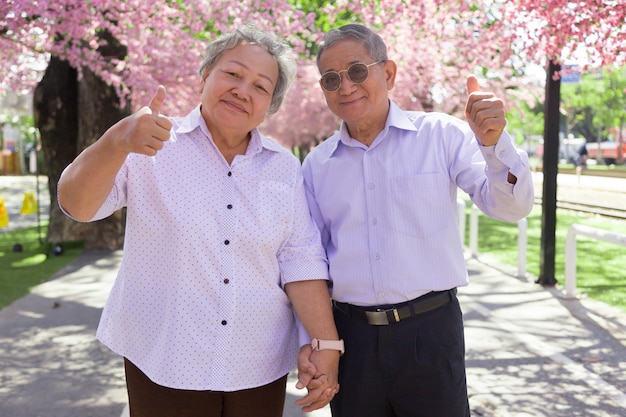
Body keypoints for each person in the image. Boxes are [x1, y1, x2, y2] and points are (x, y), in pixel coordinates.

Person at [57, 25, 341, 417]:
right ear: (205, 75)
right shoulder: (149, 142)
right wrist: (116, 141)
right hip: (163, 359)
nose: (244, 90)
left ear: (270, 105)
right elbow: (76, 205)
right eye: (233, 74)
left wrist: (327, 346)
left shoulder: (283, 169)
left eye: (261, 87)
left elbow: (301, 260)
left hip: (257, 364)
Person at [297, 24, 534, 417]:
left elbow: (510, 207)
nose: (346, 87)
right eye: (331, 79)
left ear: (388, 73)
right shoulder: (316, 165)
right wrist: (318, 345)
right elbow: (309, 261)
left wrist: (493, 145)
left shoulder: (441, 135)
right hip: (351, 339)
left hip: (430, 333)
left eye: (357, 71)